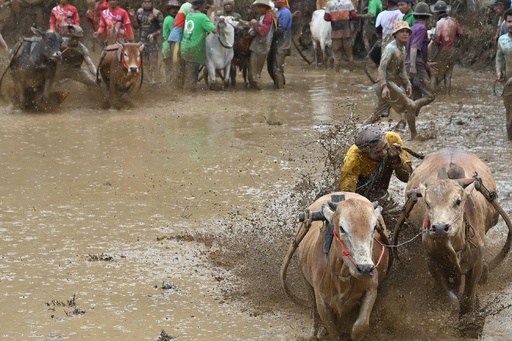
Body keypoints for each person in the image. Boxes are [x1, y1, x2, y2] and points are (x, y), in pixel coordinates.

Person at [363, 21, 427, 140]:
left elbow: (401, 70)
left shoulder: (402, 48)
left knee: (377, 115)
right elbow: (381, 68)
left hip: (389, 85)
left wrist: (407, 83)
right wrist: (385, 86)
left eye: (407, 31)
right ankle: (414, 135)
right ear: (395, 34)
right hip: (386, 84)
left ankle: (359, 132)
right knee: (411, 105)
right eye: (401, 31)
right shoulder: (390, 49)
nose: (405, 34)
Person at [339, 124, 412, 200]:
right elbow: (346, 195)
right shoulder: (353, 160)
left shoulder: (392, 139)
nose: (384, 153)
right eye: (377, 152)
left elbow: (408, 177)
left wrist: (396, 160)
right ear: (365, 153)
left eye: (385, 146)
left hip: (381, 184)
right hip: (361, 185)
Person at [404, 1, 435, 138]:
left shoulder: (412, 27)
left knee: (414, 97)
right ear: (427, 17)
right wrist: (413, 68)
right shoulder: (422, 28)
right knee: (430, 95)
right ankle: (411, 108)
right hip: (416, 65)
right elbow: (414, 48)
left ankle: (413, 133)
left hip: (412, 63)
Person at [179, 0, 216, 91]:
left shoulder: (188, 15)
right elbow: (214, 30)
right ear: (201, 6)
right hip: (195, 48)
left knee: (185, 69)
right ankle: (190, 89)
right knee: (193, 71)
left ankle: (181, 87)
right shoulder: (202, 17)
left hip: (184, 46)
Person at [430, 0, 463, 95]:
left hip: (442, 50)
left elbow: (437, 39)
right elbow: (461, 34)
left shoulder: (439, 23)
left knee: (434, 74)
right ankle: (448, 95)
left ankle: (432, 96)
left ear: (437, 13)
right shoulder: (454, 21)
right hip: (452, 50)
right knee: (448, 75)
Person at [129, 0, 164, 85]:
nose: (147, 4)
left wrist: (154, 34)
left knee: (153, 63)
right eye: (145, 2)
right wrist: (132, 17)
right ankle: (145, 81)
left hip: (152, 41)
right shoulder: (139, 12)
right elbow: (136, 27)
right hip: (142, 42)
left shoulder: (157, 13)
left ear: (152, 3)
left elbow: (162, 28)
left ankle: (154, 81)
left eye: (149, 2)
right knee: (143, 63)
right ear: (143, 3)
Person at [53, 25, 98, 89]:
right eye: (73, 37)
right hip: (61, 69)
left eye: (77, 38)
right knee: (46, 81)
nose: (75, 40)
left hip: (75, 71)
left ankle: (90, 96)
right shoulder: (61, 42)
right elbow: (50, 52)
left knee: (93, 84)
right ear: (69, 36)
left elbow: (90, 64)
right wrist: (55, 55)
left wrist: (97, 75)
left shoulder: (82, 49)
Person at [248, 0, 276, 90]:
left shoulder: (268, 16)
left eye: (260, 6)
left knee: (255, 70)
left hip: (260, 46)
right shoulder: (265, 15)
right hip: (259, 45)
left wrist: (254, 23)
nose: (258, 8)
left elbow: (263, 32)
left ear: (266, 7)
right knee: (253, 69)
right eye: (258, 6)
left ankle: (257, 88)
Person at [323, 0, 359, 72]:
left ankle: (337, 75)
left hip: (335, 33)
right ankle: (352, 72)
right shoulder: (348, 2)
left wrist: (334, 17)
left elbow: (326, 17)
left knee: (336, 57)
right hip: (347, 33)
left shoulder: (329, 3)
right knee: (349, 55)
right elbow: (354, 15)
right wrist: (347, 18)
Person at [168, 0, 193, 89]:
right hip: (177, 38)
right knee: (176, 62)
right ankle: (174, 85)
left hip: (178, 37)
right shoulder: (187, 5)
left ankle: (178, 84)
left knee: (180, 63)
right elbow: (193, 18)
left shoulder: (185, 6)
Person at [267, 0, 292, 89]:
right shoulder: (277, 12)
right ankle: (278, 85)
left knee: (277, 69)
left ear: (281, 2)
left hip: (282, 44)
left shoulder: (285, 13)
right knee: (270, 67)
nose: (274, 2)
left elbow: (280, 29)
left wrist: (269, 37)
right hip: (275, 44)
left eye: (276, 1)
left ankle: (280, 90)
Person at [496, 8, 512, 139]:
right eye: (509, 21)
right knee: (509, 113)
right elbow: (499, 57)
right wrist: (499, 71)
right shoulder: (502, 40)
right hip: (508, 82)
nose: (511, 24)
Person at [162, 0, 181, 84]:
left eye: (176, 8)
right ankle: (172, 85)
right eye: (172, 8)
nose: (174, 10)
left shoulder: (171, 18)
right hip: (170, 45)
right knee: (172, 67)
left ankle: (170, 84)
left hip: (167, 46)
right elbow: (175, 32)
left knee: (169, 68)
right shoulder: (170, 19)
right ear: (169, 9)